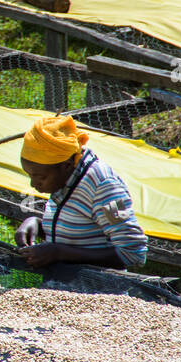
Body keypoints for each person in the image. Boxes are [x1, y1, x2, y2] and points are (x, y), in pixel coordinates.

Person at [15, 115, 147, 270]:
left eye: (41, 177)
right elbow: (78, 231)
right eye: (29, 175)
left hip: (99, 288)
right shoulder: (64, 181)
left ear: (66, 165)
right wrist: (36, 224)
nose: (33, 184)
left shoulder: (104, 188)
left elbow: (133, 253)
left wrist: (59, 253)